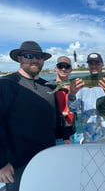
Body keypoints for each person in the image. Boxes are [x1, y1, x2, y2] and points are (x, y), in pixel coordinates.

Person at [0, 41, 70, 191]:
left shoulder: (49, 86)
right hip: (17, 164)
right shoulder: (7, 84)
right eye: (29, 56)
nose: (34, 60)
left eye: (39, 57)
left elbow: (57, 118)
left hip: (48, 158)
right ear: (19, 58)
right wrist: (2, 163)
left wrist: (66, 137)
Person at [68, 53, 105, 143]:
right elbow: (73, 109)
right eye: (91, 64)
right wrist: (72, 94)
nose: (94, 66)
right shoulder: (80, 84)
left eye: (97, 63)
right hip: (89, 138)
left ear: (102, 65)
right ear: (88, 66)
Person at [55, 56, 76, 144]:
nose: (63, 69)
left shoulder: (75, 86)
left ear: (70, 70)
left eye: (66, 67)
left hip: (72, 133)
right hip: (57, 137)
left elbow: (75, 109)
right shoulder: (49, 87)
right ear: (56, 69)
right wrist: (65, 136)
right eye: (60, 66)